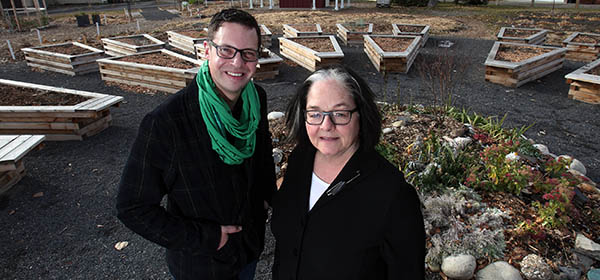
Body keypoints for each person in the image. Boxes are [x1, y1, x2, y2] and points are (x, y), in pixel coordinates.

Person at [116, 8, 276, 280]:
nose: (237, 63)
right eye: (226, 50)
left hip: (247, 251)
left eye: (248, 53)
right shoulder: (167, 123)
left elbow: (260, 160)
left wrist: (268, 201)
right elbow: (132, 207)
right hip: (202, 265)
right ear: (206, 50)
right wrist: (208, 237)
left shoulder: (256, 99)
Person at [270, 65, 426, 280]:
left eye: (340, 114)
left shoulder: (392, 194)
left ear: (360, 115)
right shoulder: (301, 159)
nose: (326, 125)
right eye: (315, 114)